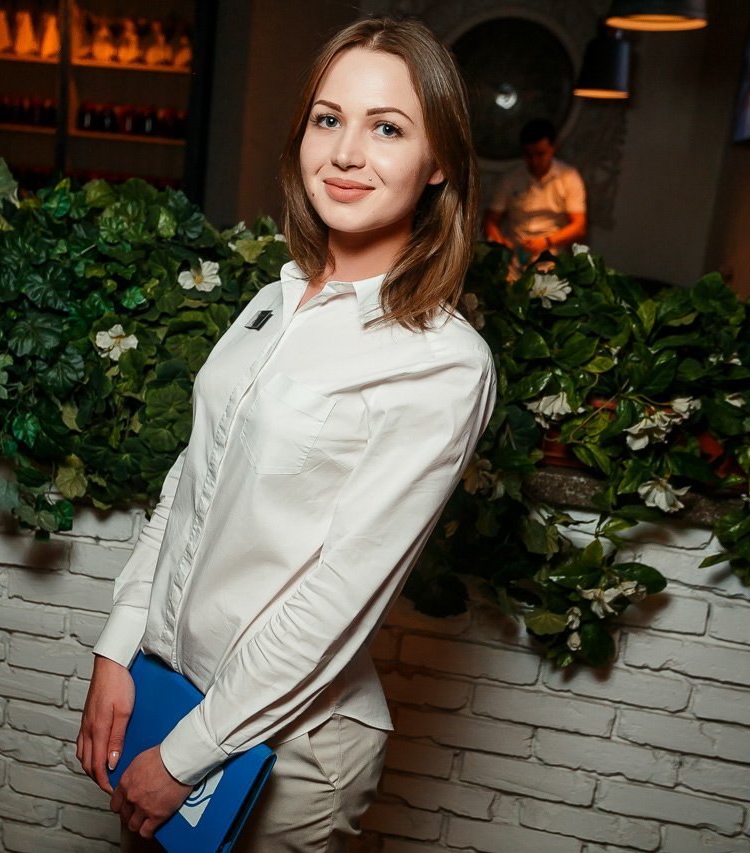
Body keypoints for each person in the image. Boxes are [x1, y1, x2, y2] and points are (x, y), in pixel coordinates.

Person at [77, 16, 496, 851]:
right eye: (327, 118)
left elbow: (338, 596)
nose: (346, 152)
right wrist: (118, 649)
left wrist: (187, 755)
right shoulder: (277, 295)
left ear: (439, 162)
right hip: (176, 693)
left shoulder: (443, 362)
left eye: (387, 128)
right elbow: (191, 480)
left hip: (289, 750)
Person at [482, 118, 587, 265]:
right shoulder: (511, 177)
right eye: (528, 155)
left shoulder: (569, 177)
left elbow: (579, 227)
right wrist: (500, 244)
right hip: (514, 259)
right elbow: (489, 220)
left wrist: (546, 242)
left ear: (554, 147)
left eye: (540, 154)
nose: (535, 161)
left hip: (552, 259)